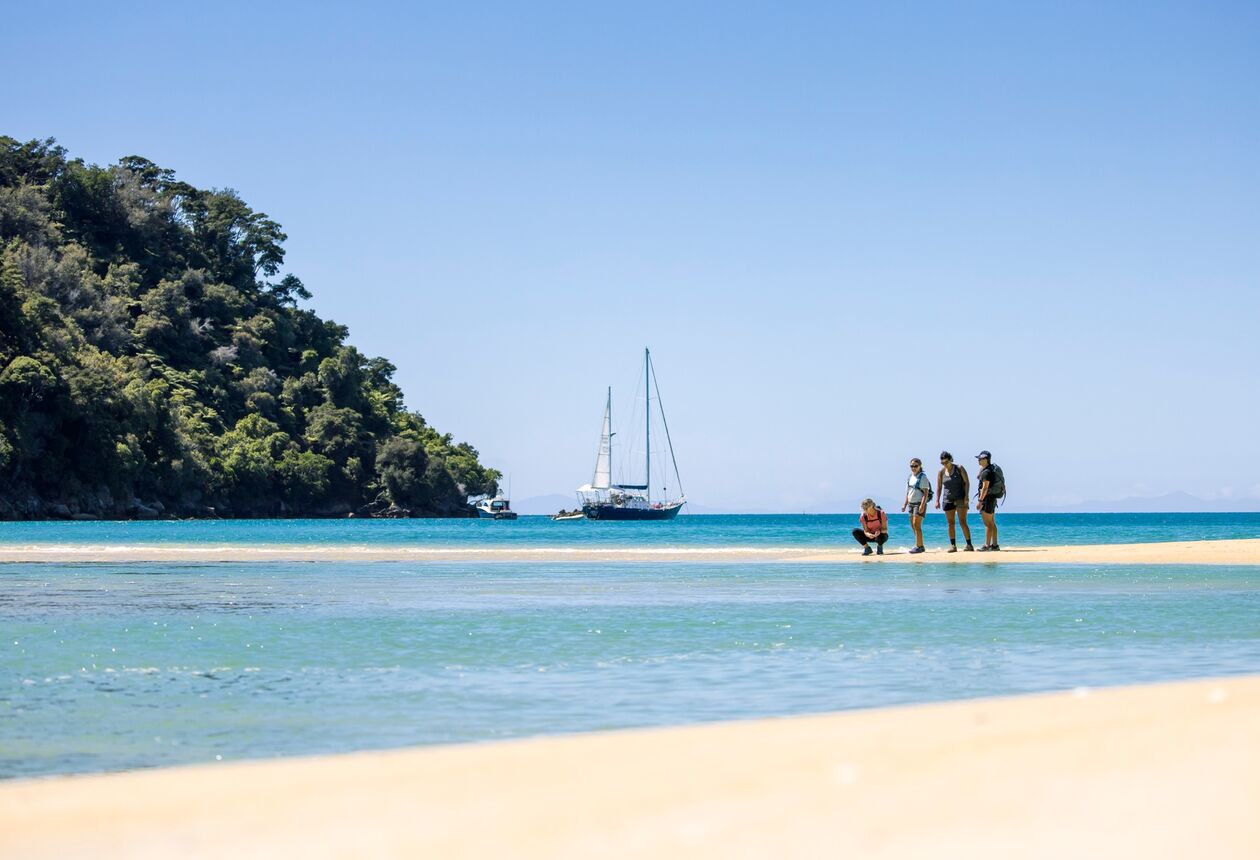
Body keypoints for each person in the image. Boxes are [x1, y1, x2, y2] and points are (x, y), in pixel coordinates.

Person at [935, 451, 974, 552]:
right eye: (942, 463)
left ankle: (969, 545)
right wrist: (937, 500)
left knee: (962, 521)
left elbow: (967, 483)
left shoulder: (959, 468)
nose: (945, 464)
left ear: (951, 460)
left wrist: (967, 496)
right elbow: (939, 487)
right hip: (947, 499)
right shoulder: (941, 472)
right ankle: (953, 545)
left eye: (946, 462)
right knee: (950, 523)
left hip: (960, 498)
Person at [902, 458, 931, 553]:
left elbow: (926, 492)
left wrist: (922, 505)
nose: (913, 468)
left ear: (920, 466)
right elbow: (908, 492)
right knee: (912, 525)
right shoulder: (910, 477)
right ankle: (919, 545)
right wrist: (905, 504)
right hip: (911, 503)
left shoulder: (923, 477)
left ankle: (919, 546)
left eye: (915, 466)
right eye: (912, 466)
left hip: (919, 503)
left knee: (916, 524)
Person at [975, 450, 1003, 551]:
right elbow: (978, 477)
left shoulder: (986, 472)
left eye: (980, 459)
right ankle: (995, 545)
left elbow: (985, 487)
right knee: (992, 523)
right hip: (992, 498)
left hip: (987, 499)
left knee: (988, 524)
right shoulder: (988, 469)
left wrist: (980, 501)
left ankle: (987, 545)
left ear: (986, 459)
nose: (978, 460)